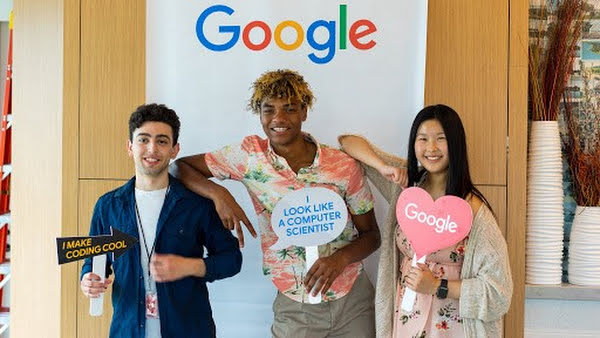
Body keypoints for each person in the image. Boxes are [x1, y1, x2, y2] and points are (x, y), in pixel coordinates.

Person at [172, 69, 380, 337]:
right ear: (259, 113)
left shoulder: (341, 165)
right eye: (268, 109)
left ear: (304, 112)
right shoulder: (250, 156)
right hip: (295, 306)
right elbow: (181, 167)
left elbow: (372, 235)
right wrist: (220, 194)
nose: (278, 119)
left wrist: (340, 259)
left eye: (290, 109)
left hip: (353, 300)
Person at [339, 104, 512, 338]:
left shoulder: (473, 211)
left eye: (441, 139)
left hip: (453, 326)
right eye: (422, 139)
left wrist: (439, 286)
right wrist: (384, 168)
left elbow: (498, 293)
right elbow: (348, 142)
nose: (431, 148)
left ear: (456, 145)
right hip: (406, 321)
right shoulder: (407, 188)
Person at [80, 103, 242, 338]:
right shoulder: (108, 206)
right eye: (143, 139)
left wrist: (189, 266)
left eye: (162, 141)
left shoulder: (197, 204)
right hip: (128, 330)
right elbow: (95, 261)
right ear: (130, 146)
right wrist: (88, 279)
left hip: (189, 330)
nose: (152, 149)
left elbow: (232, 259)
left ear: (174, 150)